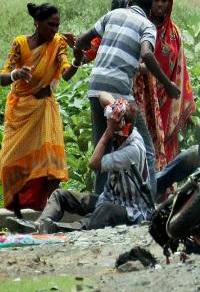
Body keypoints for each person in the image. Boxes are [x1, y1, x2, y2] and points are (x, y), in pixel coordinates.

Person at [76, 0, 181, 198]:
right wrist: (168, 85)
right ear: (150, 9)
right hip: (119, 93)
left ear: (130, 0)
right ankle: (149, 205)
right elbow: (147, 55)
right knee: (147, 149)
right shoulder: (147, 26)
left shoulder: (112, 15)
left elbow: (81, 41)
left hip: (95, 87)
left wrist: (78, 56)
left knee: (102, 147)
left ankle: (100, 205)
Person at [7, 95, 154, 233]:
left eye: (111, 123)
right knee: (60, 195)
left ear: (122, 127)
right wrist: (114, 105)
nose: (107, 124)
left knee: (105, 210)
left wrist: (108, 132)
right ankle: (41, 224)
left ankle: (58, 229)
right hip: (109, 198)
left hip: (131, 209)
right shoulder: (123, 130)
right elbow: (102, 94)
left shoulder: (132, 149)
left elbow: (94, 164)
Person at [0, 3, 82, 217]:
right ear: (37, 22)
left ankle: (49, 213)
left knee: (50, 165)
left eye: (57, 25)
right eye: (50, 25)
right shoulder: (20, 44)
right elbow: (3, 76)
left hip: (45, 110)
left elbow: (65, 72)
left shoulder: (58, 44)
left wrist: (78, 58)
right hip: (20, 112)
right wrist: (16, 75)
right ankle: (17, 211)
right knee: (10, 163)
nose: (54, 30)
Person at [134, 0, 195, 171]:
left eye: (164, 0)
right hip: (144, 95)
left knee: (166, 145)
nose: (160, 4)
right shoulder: (142, 28)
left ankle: (165, 190)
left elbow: (180, 68)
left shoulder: (174, 33)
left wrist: (185, 105)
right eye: (156, 0)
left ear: (170, 3)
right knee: (143, 143)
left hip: (167, 99)